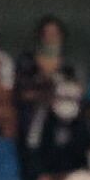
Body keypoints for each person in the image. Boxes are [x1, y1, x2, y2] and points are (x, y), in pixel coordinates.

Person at [20, 76, 89, 180]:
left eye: (71, 99)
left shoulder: (85, 124)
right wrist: (42, 176)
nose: (66, 102)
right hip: (44, 179)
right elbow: (31, 152)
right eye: (63, 98)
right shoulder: (41, 118)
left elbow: (88, 158)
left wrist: (63, 178)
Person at [15, 16, 77, 146]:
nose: (51, 38)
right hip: (34, 110)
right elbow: (24, 93)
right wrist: (46, 95)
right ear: (41, 36)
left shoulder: (68, 65)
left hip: (63, 111)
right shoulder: (27, 61)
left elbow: (76, 89)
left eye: (55, 33)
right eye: (47, 33)